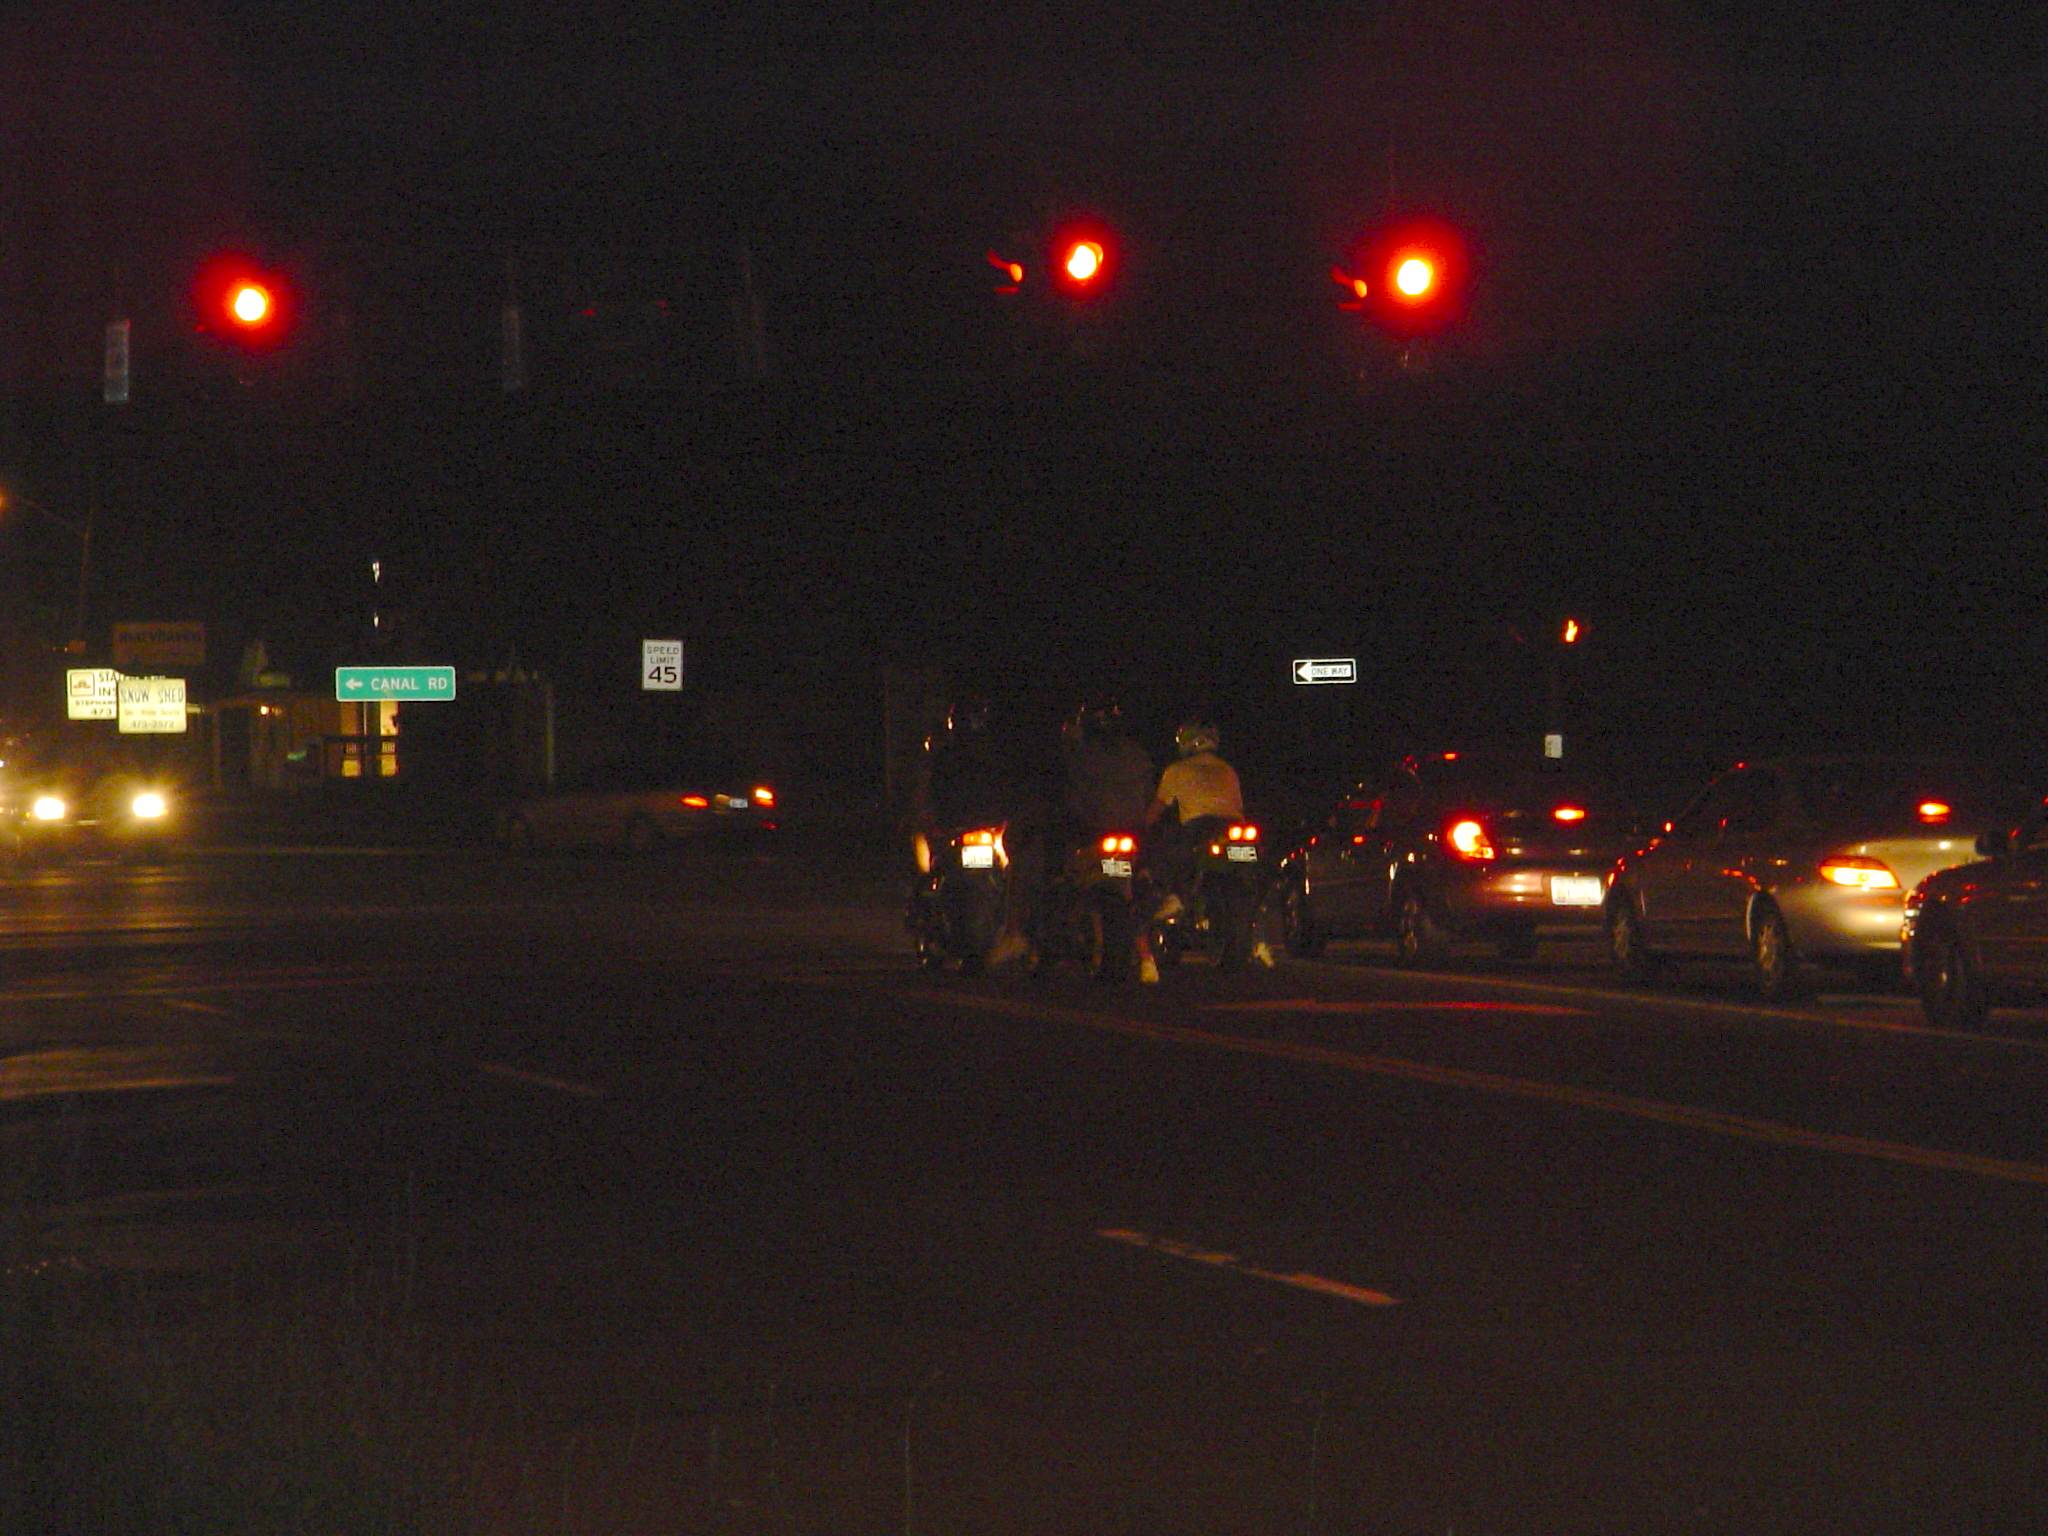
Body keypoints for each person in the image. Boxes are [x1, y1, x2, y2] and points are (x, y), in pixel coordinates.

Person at [1146, 718, 1274, 969]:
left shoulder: (1177, 770)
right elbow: (1238, 808)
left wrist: (1142, 827)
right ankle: (1257, 937)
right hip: (1233, 829)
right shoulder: (1227, 769)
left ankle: (1176, 897)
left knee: (1168, 854)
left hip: (1201, 828)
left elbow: (1155, 811)